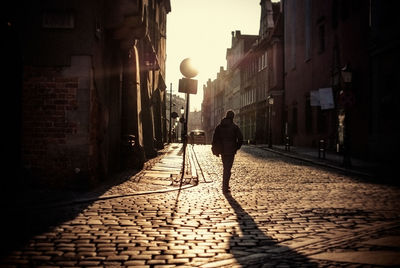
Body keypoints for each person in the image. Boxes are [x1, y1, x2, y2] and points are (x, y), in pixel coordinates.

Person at [212, 110, 243, 192]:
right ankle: (225, 186)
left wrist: (215, 149)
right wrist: (236, 147)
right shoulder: (234, 127)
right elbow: (240, 139)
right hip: (230, 151)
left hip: (222, 150)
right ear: (232, 117)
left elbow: (215, 138)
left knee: (225, 167)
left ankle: (225, 185)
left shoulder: (219, 126)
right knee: (227, 168)